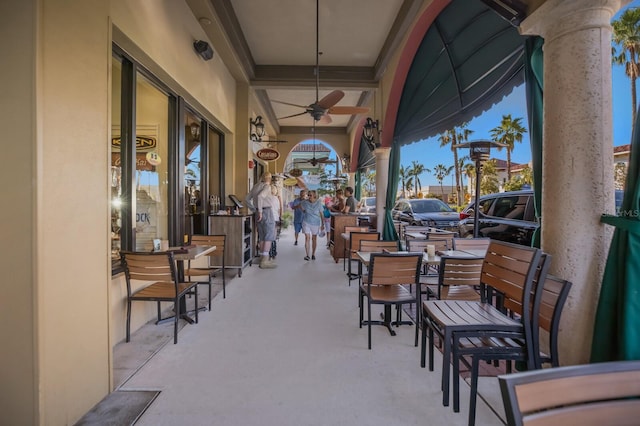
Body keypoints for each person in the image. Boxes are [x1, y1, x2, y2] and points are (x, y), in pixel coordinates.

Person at [245, 172, 277, 269]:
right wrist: (260, 211)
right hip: (266, 212)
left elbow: (246, 199)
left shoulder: (256, 186)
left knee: (262, 236)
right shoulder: (267, 187)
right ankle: (265, 261)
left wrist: (254, 209)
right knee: (269, 236)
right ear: (269, 178)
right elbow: (260, 196)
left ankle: (263, 257)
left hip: (257, 212)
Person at [300, 190, 324, 261]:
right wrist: (304, 211)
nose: (309, 196)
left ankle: (313, 254)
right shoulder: (305, 202)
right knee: (307, 237)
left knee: (314, 238)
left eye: (310, 195)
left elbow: (321, 214)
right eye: (308, 195)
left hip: (315, 223)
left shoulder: (319, 203)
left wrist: (323, 224)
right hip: (306, 222)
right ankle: (307, 255)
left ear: (315, 196)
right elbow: (301, 206)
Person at [267, 184, 282, 260]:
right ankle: (274, 253)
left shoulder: (267, 198)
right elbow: (279, 210)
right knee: (274, 236)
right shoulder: (276, 199)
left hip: (269, 218)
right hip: (276, 218)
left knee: (269, 236)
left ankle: (269, 254)